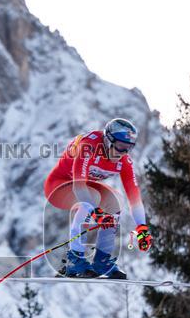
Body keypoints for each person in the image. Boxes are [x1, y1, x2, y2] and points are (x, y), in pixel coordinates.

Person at [43, 117, 153, 278]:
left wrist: (142, 228)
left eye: (129, 148)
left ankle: (102, 262)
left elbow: (134, 197)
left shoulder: (124, 162)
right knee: (92, 197)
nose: (124, 153)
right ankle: (75, 259)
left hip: (84, 187)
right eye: (121, 146)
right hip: (58, 186)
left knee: (115, 202)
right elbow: (78, 186)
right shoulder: (89, 147)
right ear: (108, 140)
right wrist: (96, 212)